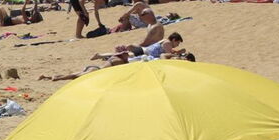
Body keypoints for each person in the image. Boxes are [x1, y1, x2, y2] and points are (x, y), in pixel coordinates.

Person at [40, 51, 195, 81]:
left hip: (104, 67)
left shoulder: (171, 64)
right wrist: (177, 56)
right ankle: (52, 78)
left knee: (76, 75)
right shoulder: (169, 59)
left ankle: (50, 77)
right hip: (104, 68)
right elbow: (163, 56)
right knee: (77, 76)